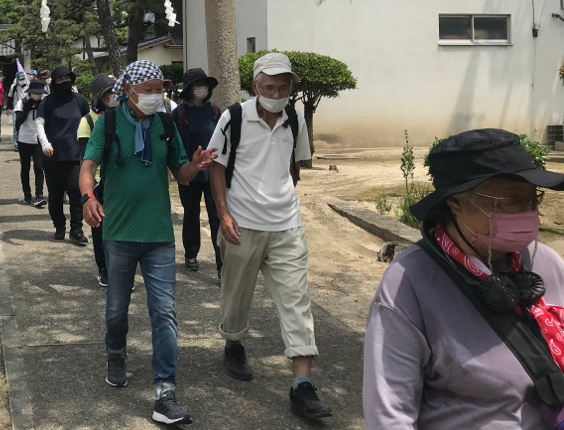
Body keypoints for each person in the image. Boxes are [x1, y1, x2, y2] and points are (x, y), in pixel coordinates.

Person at [364, 129, 564, 430]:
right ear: (456, 202)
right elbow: (389, 414)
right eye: (508, 202)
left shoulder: (546, 262)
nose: (526, 214)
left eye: (531, 200)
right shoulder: (409, 283)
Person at [80, 60, 217, 426]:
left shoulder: (165, 124)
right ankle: (116, 353)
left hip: (159, 236)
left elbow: (182, 173)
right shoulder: (109, 123)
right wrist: (88, 198)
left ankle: (165, 390)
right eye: (150, 89)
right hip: (120, 233)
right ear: (129, 90)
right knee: (116, 308)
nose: (157, 95)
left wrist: (198, 165)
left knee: (165, 313)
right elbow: (88, 165)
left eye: (161, 88)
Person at [207, 52, 331, 421]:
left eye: (283, 87)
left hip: (287, 226)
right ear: (255, 86)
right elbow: (216, 167)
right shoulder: (234, 118)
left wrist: (280, 199)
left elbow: (295, 168)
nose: (277, 93)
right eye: (270, 87)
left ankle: (302, 386)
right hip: (241, 226)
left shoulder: (294, 118)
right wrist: (224, 214)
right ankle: (233, 342)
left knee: (297, 301)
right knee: (236, 295)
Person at [173, 68, 223, 276]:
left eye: (204, 84)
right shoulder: (179, 113)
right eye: (197, 85)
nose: (202, 88)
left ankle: (223, 264)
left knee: (217, 216)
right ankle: (191, 254)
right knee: (191, 213)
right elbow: (173, 144)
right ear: (188, 89)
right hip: (189, 172)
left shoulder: (215, 111)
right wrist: (179, 170)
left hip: (213, 173)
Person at [36, 66, 90, 244]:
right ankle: (59, 226)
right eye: (60, 80)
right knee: (55, 195)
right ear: (54, 83)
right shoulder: (48, 102)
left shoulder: (79, 100)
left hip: (74, 156)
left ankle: (76, 229)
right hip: (52, 157)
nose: (64, 82)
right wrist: (44, 143)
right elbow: (39, 123)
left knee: (76, 192)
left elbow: (89, 121)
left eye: (67, 79)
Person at [77, 73, 118, 286]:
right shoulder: (88, 121)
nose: (113, 96)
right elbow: (87, 160)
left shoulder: (128, 116)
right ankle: (103, 268)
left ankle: (120, 270)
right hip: (101, 183)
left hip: (122, 182)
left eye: (115, 91)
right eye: (107, 93)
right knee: (100, 228)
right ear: (98, 97)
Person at [15, 79, 47, 207]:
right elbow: (18, 122)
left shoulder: (43, 104)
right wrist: (28, 107)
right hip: (24, 140)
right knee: (25, 167)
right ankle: (27, 195)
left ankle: (39, 195)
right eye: (35, 93)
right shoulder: (21, 103)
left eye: (40, 93)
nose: (37, 95)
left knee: (39, 167)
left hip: (38, 140)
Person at [8, 72, 29, 151]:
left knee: (25, 126)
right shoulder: (13, 87)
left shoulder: (28, 86)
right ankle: (16, 144)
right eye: (20, 79)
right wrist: (8, 108)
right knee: (16, 127)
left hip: (26, 108)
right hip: (16, 109)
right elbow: (9, 97)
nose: (21, 80)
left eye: (23, 79)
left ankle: (24, 143)